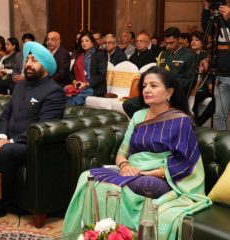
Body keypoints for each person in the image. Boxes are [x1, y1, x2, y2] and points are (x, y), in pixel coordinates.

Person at [62, 67, 211, 240]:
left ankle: (124, 235)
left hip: (164, 179)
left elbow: (185, 163)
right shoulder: (138, 116)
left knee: (126, 186)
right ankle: (96, 234)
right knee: (87, 178)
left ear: (169, 92)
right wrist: (125, 166)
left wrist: (144, 172)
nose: (147, 90)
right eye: (145, 86)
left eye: (154, 85)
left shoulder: (181, 120)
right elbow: (121, 154)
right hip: (131, 171)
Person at [0, 41, 66, 224]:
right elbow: (6, 115)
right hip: (8, 139)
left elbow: (43, 126)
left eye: (34, 61)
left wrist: (10, 142)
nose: (28, 64)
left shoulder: (54, 91)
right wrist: (2, 136)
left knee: (7, 151)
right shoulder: (20, 86)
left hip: (30, 145)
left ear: (46, 68)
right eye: (28, 59)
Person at [123, 27, 196, 118]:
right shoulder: (163, 54)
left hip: (174, 95)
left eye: (171, 43)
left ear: (179, 40)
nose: (168, 46)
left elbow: (190, 81)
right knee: (128, 104)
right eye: (166, 43)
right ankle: (147, 124)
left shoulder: (189, 55)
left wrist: (170, 89)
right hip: (157, 92)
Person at [202, 0, 230, 130]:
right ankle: (222, 148)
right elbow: (206, 29)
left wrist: (229, 19)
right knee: (219, 116)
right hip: (222, 75)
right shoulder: (218, 20)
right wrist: (207, 9)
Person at [65, 31, 107, 106]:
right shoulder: (79, 55)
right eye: (82, 41)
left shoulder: (100, 54)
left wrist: (86, 84)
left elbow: (102, 75)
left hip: (93, 87)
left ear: (92, 42)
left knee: (75, 99)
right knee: (63, 92)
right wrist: (74, 82)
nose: (84, 43)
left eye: (87, 41)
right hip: (79, 86)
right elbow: (71, 74)